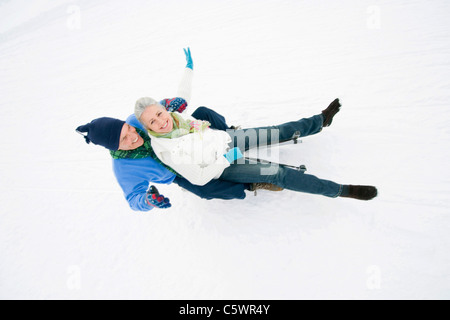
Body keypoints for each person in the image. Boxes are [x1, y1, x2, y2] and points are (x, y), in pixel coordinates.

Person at [76, 48, 279, 212]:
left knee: (203, 113)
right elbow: (133, 198)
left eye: (128, 129)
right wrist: (148, 200)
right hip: (178, 170)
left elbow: (155, 109)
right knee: (205, 189)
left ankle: (228, 133)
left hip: (183, 138)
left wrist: (170, 102)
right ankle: (250, 184)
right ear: (115, 147)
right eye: (124, 140)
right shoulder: (123, 168)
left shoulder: (136, 120)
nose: (133, 136)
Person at [135, 96, 378, 201]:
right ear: (147, 128)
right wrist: (227, 158)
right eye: (152, 122)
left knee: (275, 131)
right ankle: (339, 190)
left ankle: (319, 121)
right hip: (224, 165)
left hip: (226, 138)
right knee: (276, 173)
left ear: (164, 108)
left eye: (159, 113)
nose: (160, 122)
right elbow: (198, 177)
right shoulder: (165, 149)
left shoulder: (177, 118)